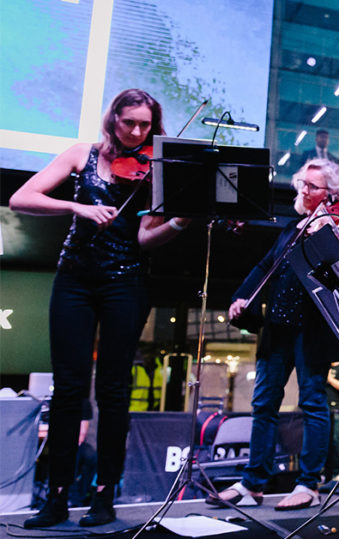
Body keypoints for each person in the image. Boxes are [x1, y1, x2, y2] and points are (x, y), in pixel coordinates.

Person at [10, 88, 190, 528]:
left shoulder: (154, 168)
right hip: (74, 277)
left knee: (113, 391)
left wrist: (180, 223)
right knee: (69, 390)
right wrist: (78, 207)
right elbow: (21, 198)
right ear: (113, 120)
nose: (137, 132)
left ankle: (105, 494)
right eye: (129, 123)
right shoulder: (82, 155)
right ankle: (55, 496)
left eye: (146, 125)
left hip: (125, 280)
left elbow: (146, 237)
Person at [210, 158, 339, 511]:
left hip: (311, 330)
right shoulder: (292, 228)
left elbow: (337, 276)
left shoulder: (336, 228)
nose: (302, 190)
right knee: (263, 404)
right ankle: (252, 484)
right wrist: (243, 297)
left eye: (311, 186)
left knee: (312, 402)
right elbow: (265, 266)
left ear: (331, 194)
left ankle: (309, 485)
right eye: (301, 183)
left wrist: (325, 236)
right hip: (277, 328)